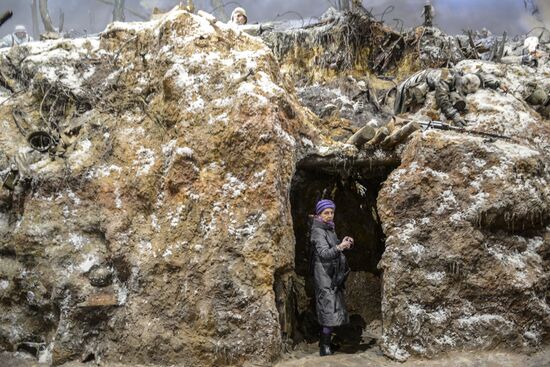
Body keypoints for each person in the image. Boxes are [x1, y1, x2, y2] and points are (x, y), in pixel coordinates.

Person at [310, 199, 353, 356]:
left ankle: (326, 342)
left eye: (331, 212)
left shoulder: (329, 228)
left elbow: (332, 248)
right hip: (323, 275)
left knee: (333, 308)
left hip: (331, 274)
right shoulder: (318, 231)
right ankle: (324, 347)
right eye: (325, 213)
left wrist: (343, 242)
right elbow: (324, 253)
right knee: (328, 308)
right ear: (319, 214)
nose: (329, 215)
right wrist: (340, 247)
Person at [391, 68, 506, 126]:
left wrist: (497, 84)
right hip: (414, 82)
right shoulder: (446, 78)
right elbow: (441, 97)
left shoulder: (461, 75)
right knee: (402, 108)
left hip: (428, 76)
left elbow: (479, 77)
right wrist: (454, 115)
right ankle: (394, 120)